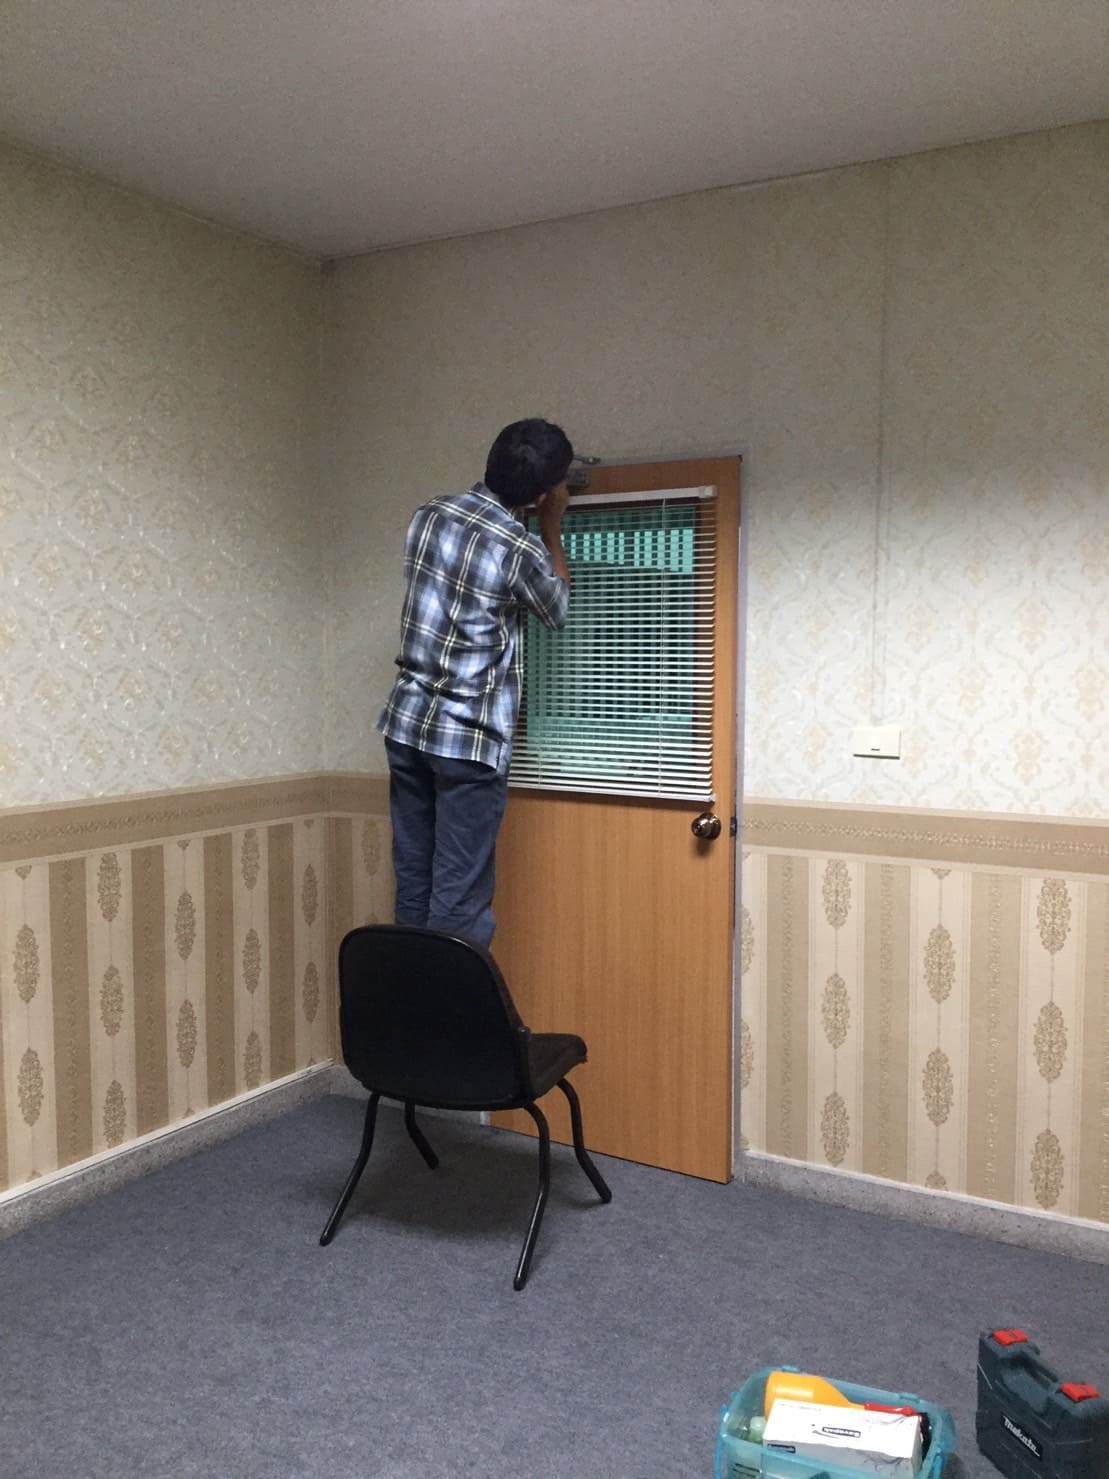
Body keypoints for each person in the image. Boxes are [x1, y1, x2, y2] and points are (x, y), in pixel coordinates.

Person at [376, 418, 573, 947]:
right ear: (540, 495)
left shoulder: (428, 515)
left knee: (414, 883)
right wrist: (551, 526)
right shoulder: (519, 547)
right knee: (459, 903)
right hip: (468, 740)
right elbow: (556, 609)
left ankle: (411, 1000)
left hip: (407, 726)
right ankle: (450, 1003)